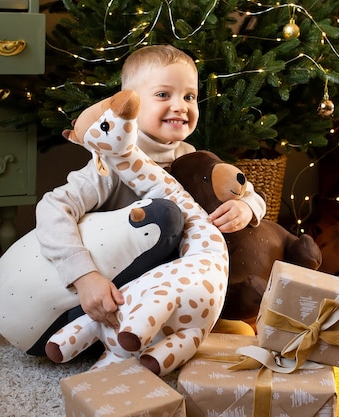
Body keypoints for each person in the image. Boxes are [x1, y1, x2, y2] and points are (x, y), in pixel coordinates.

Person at [35, 44, 266, 330]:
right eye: (163, 94)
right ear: (130, 103)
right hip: (120, 282)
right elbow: (53, 207)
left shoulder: (191, 157)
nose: (180, 106)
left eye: (189, 96)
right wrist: (84, 277)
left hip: (174, 281)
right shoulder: (111, 164)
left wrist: (245, 207)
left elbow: (248, 191)